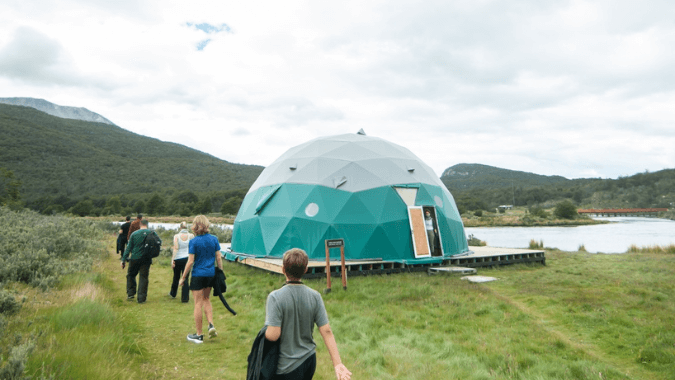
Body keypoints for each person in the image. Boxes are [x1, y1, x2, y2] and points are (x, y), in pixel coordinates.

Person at [265, 248, 352, 380]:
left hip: (286, 366)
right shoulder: (315, 296)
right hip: (309, 361)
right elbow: (327, 331)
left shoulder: (275, 297)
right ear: (306, 270)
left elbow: (273, 335)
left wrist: (263, 333)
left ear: (283, 269)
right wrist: (338, 364)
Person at [179, 215, 223, 344]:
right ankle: (211, 325)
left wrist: (183, 277)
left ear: (195, 226)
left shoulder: (194, 241)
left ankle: (199, 335)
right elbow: (219, 258)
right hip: (210, 274)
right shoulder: (214, 239)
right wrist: (220, 272)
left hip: (198, 274)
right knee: (206, 299)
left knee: (198, 303)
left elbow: (190, 261)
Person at [121, 219, 161, 304]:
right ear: (147, 225)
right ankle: (141, 298)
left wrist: (124, 259)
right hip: (146, 259)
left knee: (131, 275)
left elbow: (128, 248)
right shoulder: (152, 233)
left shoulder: (134, 234)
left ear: (140, 224)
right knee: (144, 278)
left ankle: (131, 293)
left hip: (135, 258)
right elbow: (159, 242)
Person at [170, 221, 193, 302]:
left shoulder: (176, 236)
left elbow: (176, 248)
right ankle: (185, 298)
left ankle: (173, 293)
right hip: (187, 258)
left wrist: (173, 259)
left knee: (176, 276)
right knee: (186, 277)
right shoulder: (191, 236)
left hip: (178, 258)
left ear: (180, 227)